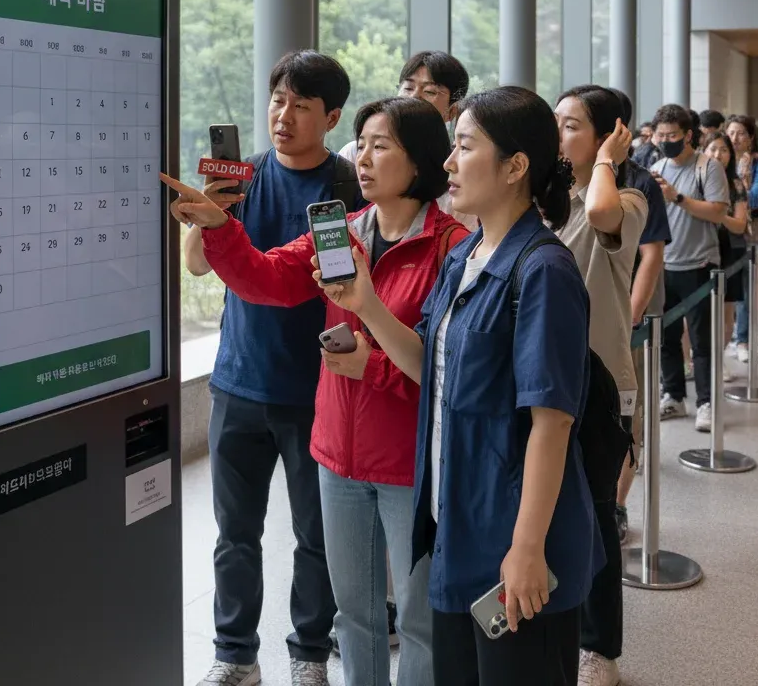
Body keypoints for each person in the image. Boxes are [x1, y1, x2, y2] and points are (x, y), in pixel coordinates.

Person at [180, 96, 470, 686]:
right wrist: (218, 225)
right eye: (360, 143)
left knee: (417, 620)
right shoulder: (342, 232)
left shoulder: (452, 245)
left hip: (410, 460)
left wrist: (374, 369)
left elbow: (451, 363)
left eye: (380, 145)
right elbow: (265, 279)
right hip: (338, 453)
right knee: (354, 618)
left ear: (419, 161)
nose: (361, 157)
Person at [356, 86, 601, 685]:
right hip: (457, 525)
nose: (448, 162)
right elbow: (431, 367)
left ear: (515, 166)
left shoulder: (543, 269)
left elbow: (553, 421)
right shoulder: (466, 254)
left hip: (514, 539)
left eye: (464, 146)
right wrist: (365, 303)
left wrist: (526, 549)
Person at [168, 50, 358, 686]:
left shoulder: (347, 187)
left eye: (302, 105)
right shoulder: (243, 176)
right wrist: (203, 218)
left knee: (315, 535)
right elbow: (197, 265)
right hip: (238, 383)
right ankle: (235, 656)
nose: (284, 115)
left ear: (331, 116)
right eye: (278, 100)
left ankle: (307, 654)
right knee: (235, 534)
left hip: (317, 389)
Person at [554, 86, 647, 686]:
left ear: (608, 134)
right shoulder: (542, 199)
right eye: (555, 124)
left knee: (595, 514)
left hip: (600, 379)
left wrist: (609, 160)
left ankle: (599, 648)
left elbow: (600, 214)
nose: (559, 136)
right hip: (543, 376)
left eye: (571, 127)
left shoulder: (628, 198)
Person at [609, 91, 669, 543]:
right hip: (580, 319)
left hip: (626, 321)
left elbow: (650, 257)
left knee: (625, 416)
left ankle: (617, 504)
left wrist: (629, 317)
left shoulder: (638, 182)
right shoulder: (559, 177)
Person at [649, 104, 729, 432]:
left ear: (688, 136)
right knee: (666, 336)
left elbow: (718, 212)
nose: (666, 141)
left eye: (673, 135)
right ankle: (673, 395)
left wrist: (677, 198)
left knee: (701, 338)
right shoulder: (655, 167)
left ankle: (707, 402)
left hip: (699, 263)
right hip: (663, 264)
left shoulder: (707, 167)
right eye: (661, 135)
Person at [340, 50, 478, 233]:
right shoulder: (352, 154)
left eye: (430, 91)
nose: (414, 97)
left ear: (452, 111)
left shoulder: (458, 168)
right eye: (407, 88)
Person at [702, 132, 749, 381]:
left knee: (726, 311)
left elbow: (740, 225)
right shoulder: (696, 179)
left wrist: (715, 214)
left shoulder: (736, 184)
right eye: (712, 149)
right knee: (697, 314)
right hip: (698, 250)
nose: (717, 155)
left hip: (730, 250)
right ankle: (695, 361)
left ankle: (717, 359)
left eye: (723, 150)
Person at [725, 116, 758, 360]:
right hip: (719, 233)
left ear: (751, 137)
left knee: (745, 287)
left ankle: (742, 338)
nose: (735, 138)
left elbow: (754, 198)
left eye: (741, 133)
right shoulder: (716, 161)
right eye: (731, 132)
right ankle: (724, 337)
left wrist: (735, 191)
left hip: (749, 231)